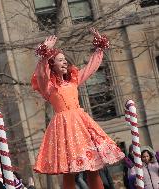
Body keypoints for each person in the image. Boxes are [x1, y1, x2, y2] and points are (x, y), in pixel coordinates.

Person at [31, 28, 125, 189]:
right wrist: (44, 54)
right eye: (60, 60)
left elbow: (91, 67)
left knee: (93, 167)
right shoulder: (49, 87)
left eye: (64, 60)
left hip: (82, 125)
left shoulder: (73, 81)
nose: (65, 62)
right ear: (52, 65)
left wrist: (99, 48)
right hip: (64, 128)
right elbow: (41, 75)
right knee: (69, 171)